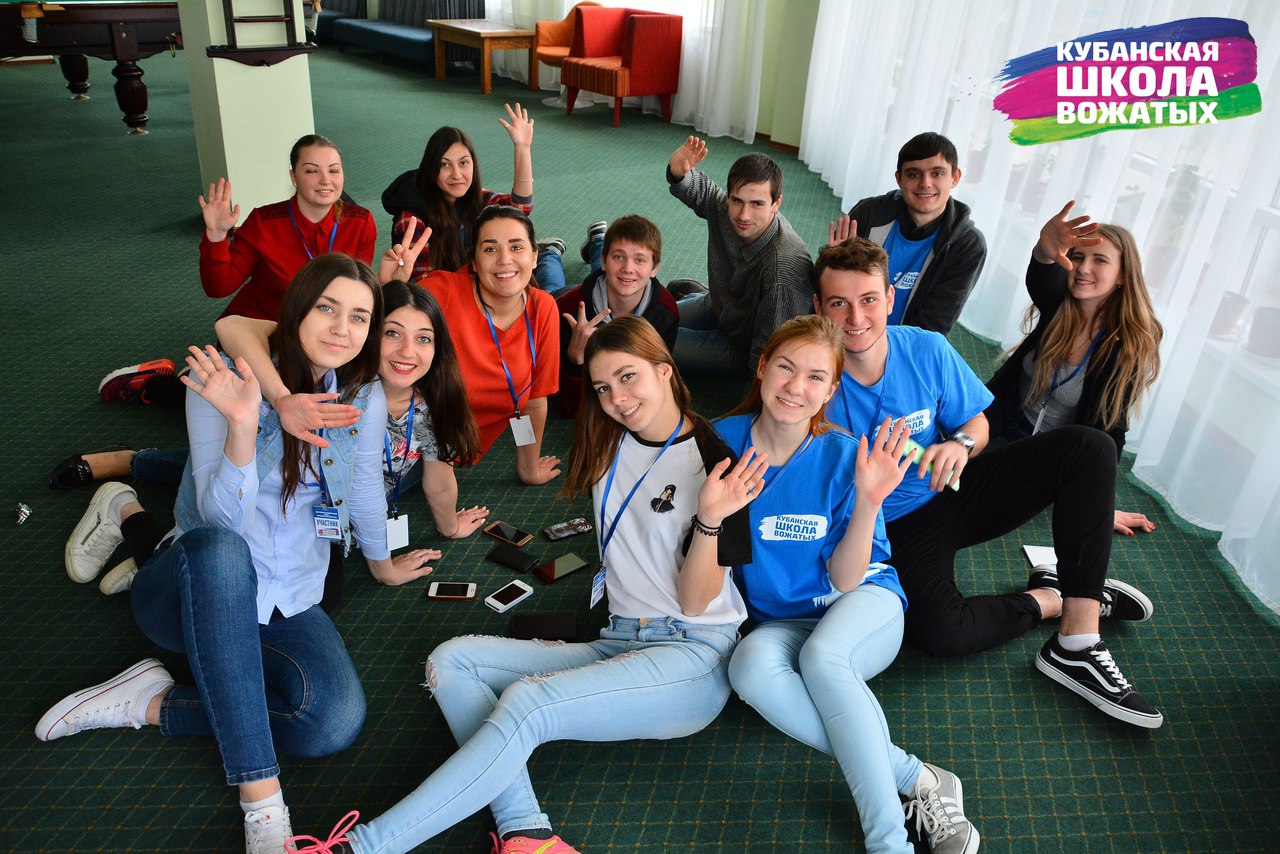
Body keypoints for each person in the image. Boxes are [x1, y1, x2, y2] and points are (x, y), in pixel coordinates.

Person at [286, 316, 760, 854]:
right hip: (617, 638)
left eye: (629, 377)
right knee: (450, 661)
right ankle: (526, 833)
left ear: (665, 370)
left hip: (690, 653)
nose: (618, 399)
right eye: (603, 387)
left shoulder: (715, 462)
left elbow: (697, 601)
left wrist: (710, 519)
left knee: (527, 704)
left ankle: (363, 847)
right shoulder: (609, 438)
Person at [38, 255, 443, 854]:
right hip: (194, 592)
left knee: (330, 724)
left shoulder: (361, 392)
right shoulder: (224, 381)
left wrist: (381, 563)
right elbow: (218, 519)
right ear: (297, 308)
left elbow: (361, 488)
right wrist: (243, 425)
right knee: (225, 549)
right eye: (327, 308)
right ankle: (264, 807)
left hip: (288, 596)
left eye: (360, 317)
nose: (342, 329)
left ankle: (147, 701)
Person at [813, 237, 1163, 728]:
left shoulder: (926, 348)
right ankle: (1053, 598)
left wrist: (959, 444)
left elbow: (977, 424)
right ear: (819, 307)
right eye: (838, 304)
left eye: (868, 299)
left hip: (952, 490)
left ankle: (1077, 641)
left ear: (890, 299)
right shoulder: (810, 372)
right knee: (941, 634)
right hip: (888, 528)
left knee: (1090, 447)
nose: (856, 318)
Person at [715, 316, 979, 854]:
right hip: (781, 619)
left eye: (816, 377)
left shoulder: (844, 453)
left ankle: (888, 842)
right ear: (762, 367)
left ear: (831, 389)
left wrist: (869, 501)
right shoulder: (718, 442)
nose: (796, 387)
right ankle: (913, 775)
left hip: (862, 599)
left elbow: (845, 577)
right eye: (785, 367)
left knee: (823, 659)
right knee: (746, 668)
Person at [99, 134, 380, 406]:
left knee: (348, 390)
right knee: (241, 405)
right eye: (312, 171)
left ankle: (204, 371)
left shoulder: (360, 222)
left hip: (321, 334)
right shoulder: (264, 222)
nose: (325, 180)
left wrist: (389, 281)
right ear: (293, 177)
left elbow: (356, 294)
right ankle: (154, 384)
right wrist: (217, 236)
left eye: (333, 170)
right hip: (260, 333)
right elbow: (218, 287)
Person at [985, 201, 1164, 536]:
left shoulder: (1125, 346)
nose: (1083, 268)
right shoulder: (1059, 305)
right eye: (1078, 257)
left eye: (1100, 260)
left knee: (967, 482)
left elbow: (1110, 431)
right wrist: (1044, 249)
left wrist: (1099, 503)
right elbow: (1042, 278)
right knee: (931, 449)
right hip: (1000, 423)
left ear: (1123, 275)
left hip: (1048, 456)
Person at [419, 207, 563, 484]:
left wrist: (529, 469)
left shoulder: (543, 307)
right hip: (414, 444)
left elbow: (533, 402)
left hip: (464, 451)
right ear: (473, 261)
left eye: (516, 247)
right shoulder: (443, 292)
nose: (505, 260)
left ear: (534, 257)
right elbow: (378, 329)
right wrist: (391, 285)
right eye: (490, 249)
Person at [665, 136, 814, 377]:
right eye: (737, 201)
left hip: (742, 347)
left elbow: (771, 351)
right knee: (649, 317)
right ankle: (698, 294)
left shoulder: (784, 268)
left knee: (645, 341)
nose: (744, 215)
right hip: (720, 307)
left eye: (757, 204)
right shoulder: (728, 209)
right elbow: (704, 193)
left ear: (776, 203)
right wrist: (679, 172)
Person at [828, 132, 986, 335]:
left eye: (937, 173)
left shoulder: (968, 245)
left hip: (904, 344)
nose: (925, 183)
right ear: (899, 179)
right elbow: (832, 295)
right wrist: (831, 267)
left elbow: (934, 324)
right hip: (849, 331)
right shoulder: (869, 214)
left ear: (955, 178)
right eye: (913, 174)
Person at [381, 107, 538, 284]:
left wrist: (522, 148)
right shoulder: (411, 217)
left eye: (463, 163)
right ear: (431, 169)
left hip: (478, 285)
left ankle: (549, 253)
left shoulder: (473, 198)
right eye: (444, 165)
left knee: (534, 270)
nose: (457, 174)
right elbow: (423, 285)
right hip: (446, 292)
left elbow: (518, 210)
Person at [553, 214, 678, 416]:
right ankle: (549, 253)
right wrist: (574, 360)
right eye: (618, 257)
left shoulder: (666, 312)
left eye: (640, 260)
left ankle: (598, 241)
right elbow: (567, 407)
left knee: (616, 276)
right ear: (604, 261)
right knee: (551, 286)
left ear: (654, 268)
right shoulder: (567, 311)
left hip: (603, 283)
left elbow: (658, 387)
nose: (628, 268)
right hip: (561, 295)